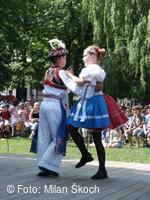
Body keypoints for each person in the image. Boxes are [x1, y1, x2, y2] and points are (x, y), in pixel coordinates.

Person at [59, 45, 128, 179]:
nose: (83, 58)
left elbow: (80, 82)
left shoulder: (92, 69)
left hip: (93, 102)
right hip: (92, 101)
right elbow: (95, 85)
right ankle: (92, 160)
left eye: (85, 55)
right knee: (78, 129)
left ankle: (93, 161)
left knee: (76, 128)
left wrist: (70, 75)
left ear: (92, 56)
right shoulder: (95, 70)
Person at [37, 39, 69, 177]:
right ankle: (48, 164)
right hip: (55, 104)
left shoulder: (48, 71)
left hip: (44, 104)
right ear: (60, 58)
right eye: (65, 57)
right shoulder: (61, 72)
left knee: (43, 136)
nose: (66, 60)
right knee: (59, 134)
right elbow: (70, 89)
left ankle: (42, 165)